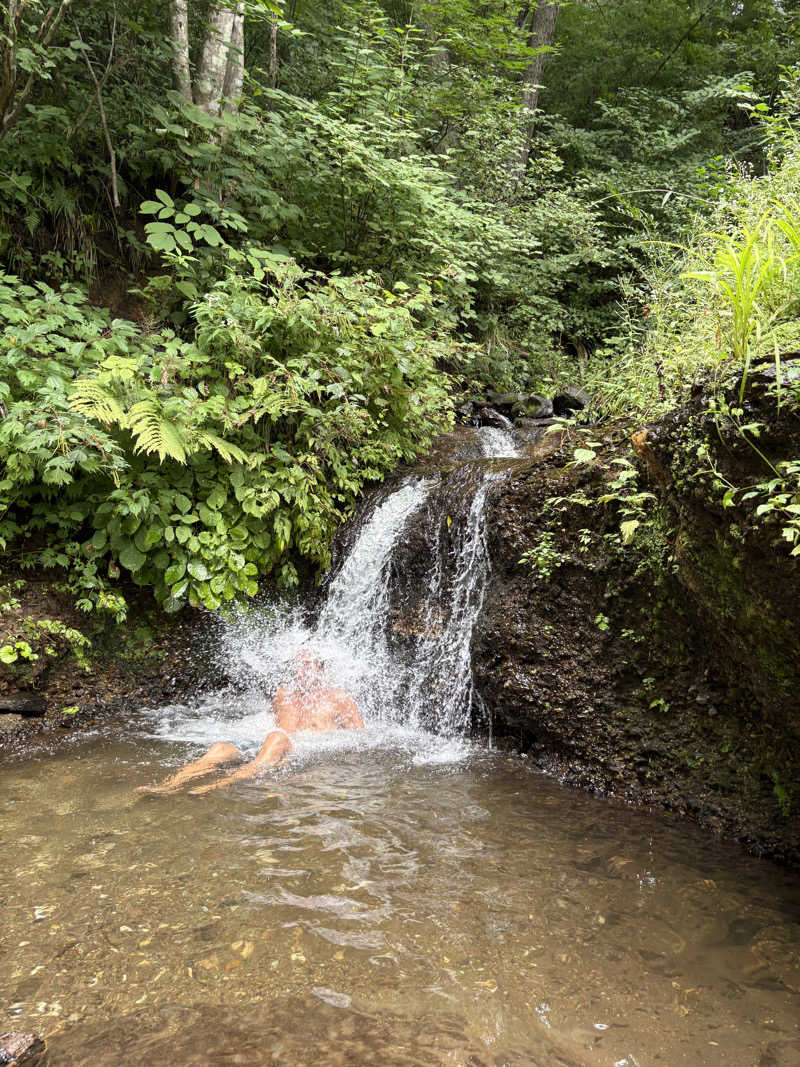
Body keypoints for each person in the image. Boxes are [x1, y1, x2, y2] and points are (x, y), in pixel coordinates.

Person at [138, 652, 364, 795]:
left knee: (278, 738)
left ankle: (215, 786)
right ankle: (167, 786)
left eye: (307, 666)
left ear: (322, 670)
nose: (300, 672)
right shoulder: (283, 694)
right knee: (219, 748)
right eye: (297, 666)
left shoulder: (338, 698)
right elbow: (268, 723)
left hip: (297, 750)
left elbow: (362, 737)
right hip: (265, 746)